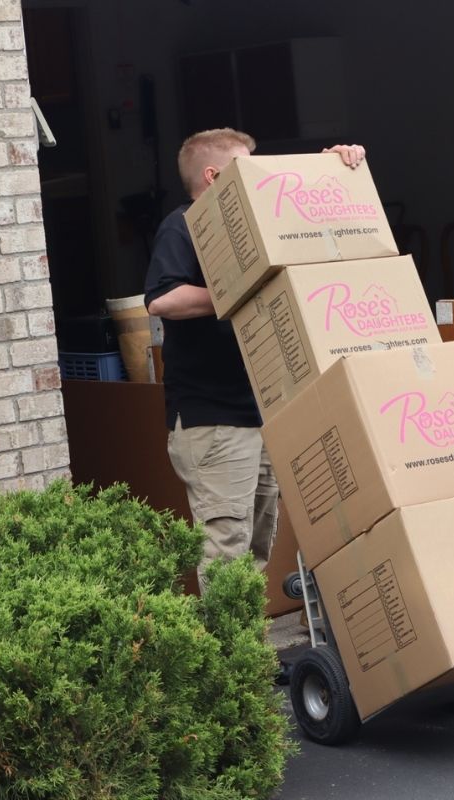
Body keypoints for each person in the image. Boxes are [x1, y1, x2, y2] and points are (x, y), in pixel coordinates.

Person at [143, 129, 366, 595]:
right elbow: (162, 300)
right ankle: (226, 665)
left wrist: (331, 167)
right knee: (226, 545)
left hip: (261, 413)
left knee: (256, 545)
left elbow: (305, 209)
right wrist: (242, 292)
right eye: (245, 163)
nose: (255, 172)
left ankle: (243, 654)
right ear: (214, 174)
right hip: (213, 416)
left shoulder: (254, 222)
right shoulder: (184, 225)